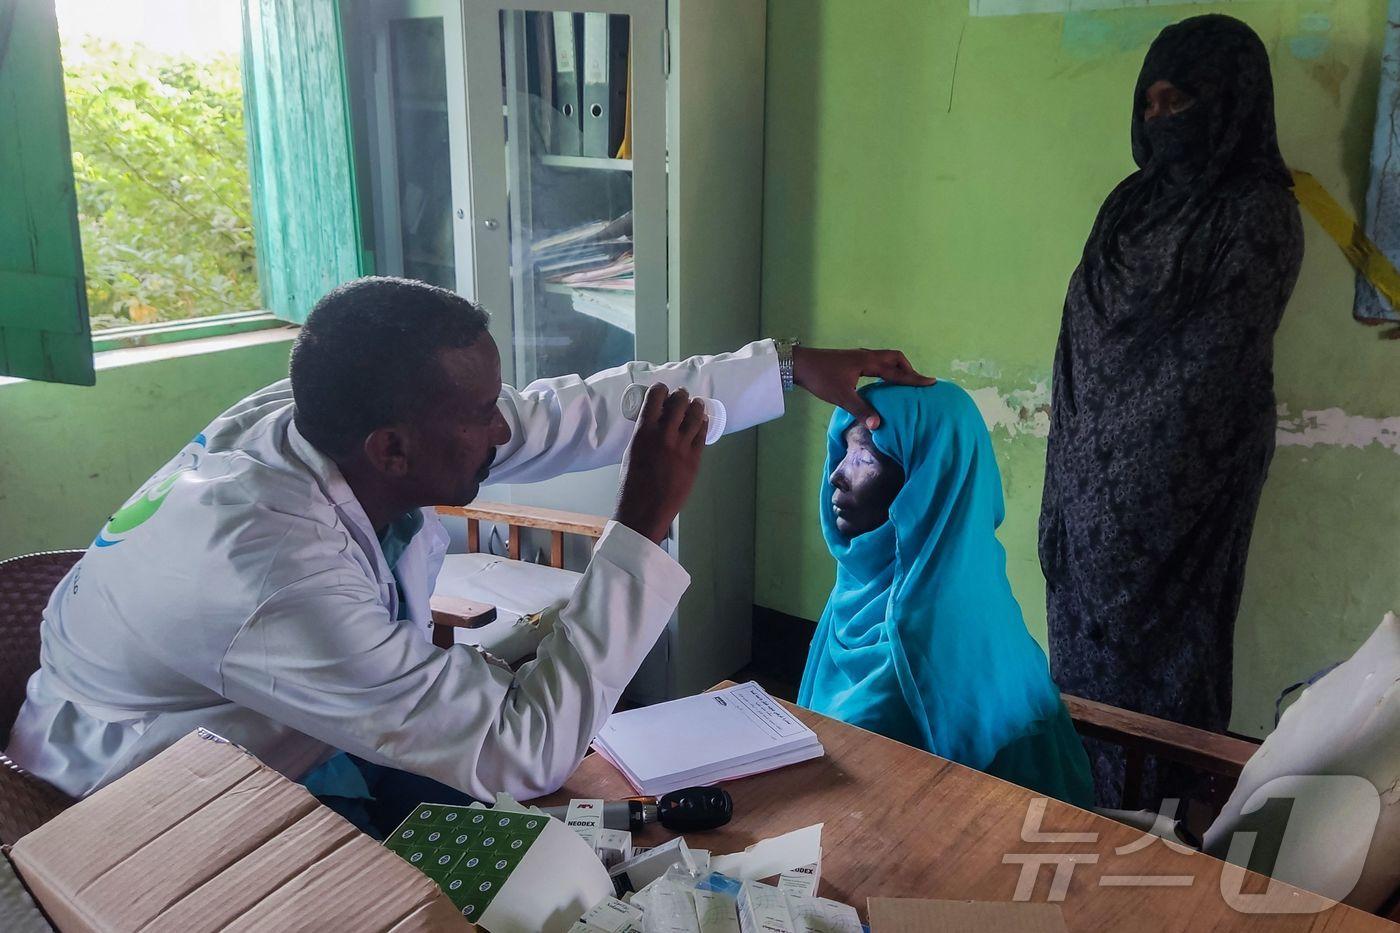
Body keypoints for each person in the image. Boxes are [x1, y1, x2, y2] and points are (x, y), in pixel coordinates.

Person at [6, 276, 934, 828]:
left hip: (249, 716)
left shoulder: (320, 420)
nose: (505, 423)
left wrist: (780, 366)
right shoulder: (277, 578)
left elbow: (567, 410)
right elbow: (517, 749)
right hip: (141, 804)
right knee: (470, 854)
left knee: (536, 836)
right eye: (479, 412)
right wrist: (641, 526)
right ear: (394, 448)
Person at [1038, 15, 1305, 807]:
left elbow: (1213, 370)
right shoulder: (1128, 204)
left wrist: (1132, 505)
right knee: (1083, 671)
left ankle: (1155, 830)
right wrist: (1083, 486)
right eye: (1147, 103)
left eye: (1178, 100)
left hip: (1184, 500)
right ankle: (1081, 806)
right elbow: (1081, 337)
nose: (1159, 121)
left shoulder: (1257, 214)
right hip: (1084, 489)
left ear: (1228, 103)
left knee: (1169, 673)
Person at [799, 382, 1094, 808]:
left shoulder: (925, 633)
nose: (837, 474)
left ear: (928, 484)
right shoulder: (862, 592)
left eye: (864, 457)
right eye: (843, 451)